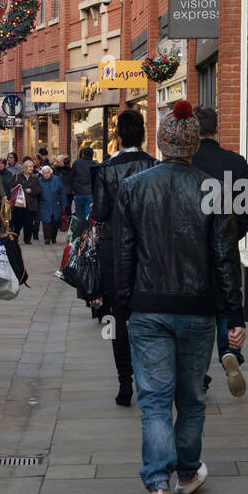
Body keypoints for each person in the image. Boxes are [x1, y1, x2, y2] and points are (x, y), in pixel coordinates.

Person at [114, 100, 246, 494]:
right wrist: (235, 316)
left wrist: (122, 307)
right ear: (191, 147)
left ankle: (157, 487)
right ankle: (187, 472)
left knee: (153, 401)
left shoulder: (134, 186)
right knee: (191, 397)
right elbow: (226, 259)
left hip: (149, 306)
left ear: (164, 142)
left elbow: (124, 254)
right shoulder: (212, 190)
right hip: (197, 309)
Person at [91, 108, 157, 406]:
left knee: (118, 316)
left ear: (118, 137)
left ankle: (124, 382)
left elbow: (101, 213)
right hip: (148, 248)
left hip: (115, 248)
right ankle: (148, 376)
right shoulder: (154, 166)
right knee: (148, 313)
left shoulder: (106, 169)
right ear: (143, 134)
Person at [191, 106, 248, 398]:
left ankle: (199, 373)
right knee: (224, 301)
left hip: (190, 252)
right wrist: (229, 236)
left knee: (197, 313)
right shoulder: (236, 162)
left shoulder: (185, 162)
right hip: (225, 248)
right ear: (217, 129)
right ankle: (229, 352)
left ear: (194, 130)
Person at [9, 159, 41, 244]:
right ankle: (15, 237)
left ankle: (27, 239)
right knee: (17, 222)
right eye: (30, 167)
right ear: (25, 167)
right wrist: (16, 187)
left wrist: (32, 190)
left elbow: (39, 189)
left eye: (32, 167)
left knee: (29, 223)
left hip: (31, 204)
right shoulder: (17, 176)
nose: (32, 168)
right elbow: (10, 187)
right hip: (19, 204)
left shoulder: (35, 177)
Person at [70, 146, 97, 231]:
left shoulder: (77, 163)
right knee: (88, 215)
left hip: (79, 192)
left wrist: (74, 189)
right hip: (89, 193)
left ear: (82, 154)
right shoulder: (94, 165)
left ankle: (79, 233)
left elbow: (71, 177)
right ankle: (86, 233)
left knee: (79, 216)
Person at [37, 164, 66, 245]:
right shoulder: (39, 180)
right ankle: (47, 238)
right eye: (44, 173)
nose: (46, 174)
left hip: (56, 204)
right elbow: (37, 192)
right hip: (44, 204)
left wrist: (64, 204)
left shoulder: (56, 179)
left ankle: (53, 238)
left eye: (47, 173)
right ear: (42, 174)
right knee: (46, 222)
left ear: (51, 173)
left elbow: (62, 192)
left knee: (55, 221)